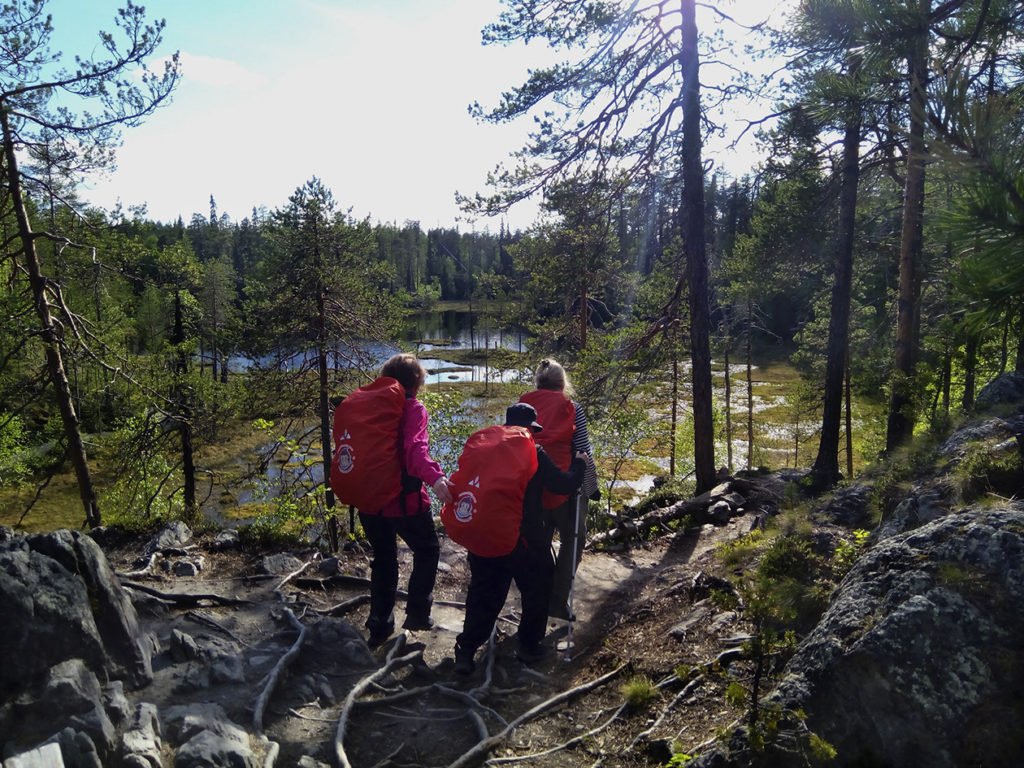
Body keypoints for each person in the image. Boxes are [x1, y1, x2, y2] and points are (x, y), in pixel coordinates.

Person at [453, 403, 585, 675]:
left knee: (483, 593)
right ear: (531, 429)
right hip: (525, 540)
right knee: (538, 589)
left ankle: (466, 651)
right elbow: (563, 484)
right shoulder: (534, 451)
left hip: (485, 533)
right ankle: (528, 646)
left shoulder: (486, 447)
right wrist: (580, 465)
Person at [360, 353, 452, 647]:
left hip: (368, 498)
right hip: (402, 499)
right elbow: (415, 453)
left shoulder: (367, 406)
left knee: (384, 559)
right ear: (416, 381)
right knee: (427, 550)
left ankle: (379, 624)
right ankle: (417, 614)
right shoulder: (412, 408)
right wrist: (436, 479)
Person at [520, 359, 597, 622]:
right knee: (573, 540)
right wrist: (591, 488)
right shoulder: (572, 407)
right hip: (565, 488)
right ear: (563, 384)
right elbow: (583, 451)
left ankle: (538, 599)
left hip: (531, 490)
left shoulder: (523, 407)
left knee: (539, 545)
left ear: (538, 383)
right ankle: (557, 600)